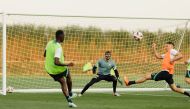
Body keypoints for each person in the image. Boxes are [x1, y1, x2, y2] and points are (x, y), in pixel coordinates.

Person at [124, 42, 190, 97]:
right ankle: (189, 95)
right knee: (175, 88)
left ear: (171, 46)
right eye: (165, 46)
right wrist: (154, 48)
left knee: (146, 76)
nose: (165, 47)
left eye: (167, 46)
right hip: (169, 74)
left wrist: (172, 60)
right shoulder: (167, 54)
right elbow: (158, 56)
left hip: (165, 72)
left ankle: (129, 83)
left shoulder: (172, 50)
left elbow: (180, 55)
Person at [44, 30, 77, 108]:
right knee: (67, 78)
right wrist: (68, 64)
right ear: (60, 37)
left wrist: (57, 55)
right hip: (58, 68)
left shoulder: (49, 42)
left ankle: (70, 100)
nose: (64, 37)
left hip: (50, 69)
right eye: (63, 36)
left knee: (63, 81)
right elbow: (56, 62)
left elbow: (45, 54)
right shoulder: (58, 47)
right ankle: (70, 95)